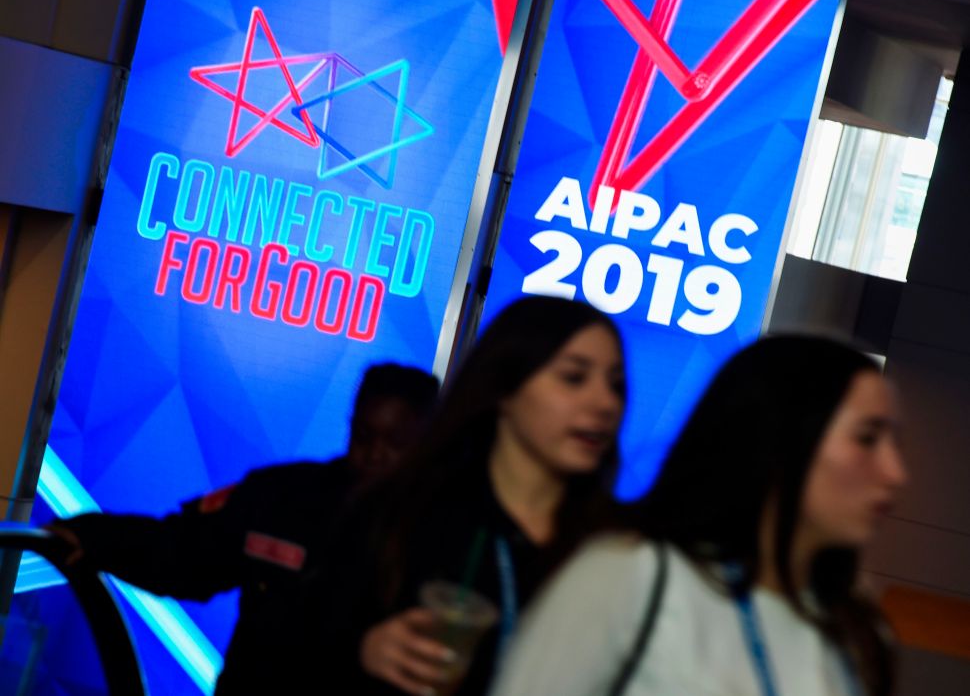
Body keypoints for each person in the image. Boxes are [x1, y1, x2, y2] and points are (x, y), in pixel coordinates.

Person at [489, 335, 908, 696]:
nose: (895, 472)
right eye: (867, 438)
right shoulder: (632, 576)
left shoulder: (854, 627)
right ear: (780, 441)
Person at [48, 362, 439, 694]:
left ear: (425, 443)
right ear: (351, 424)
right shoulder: (284, 497)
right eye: (365, 435)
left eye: (395, 442)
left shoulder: (441, 537)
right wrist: (92, 537)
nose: (374, 454)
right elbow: (182, 553)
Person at [321, 295, 627, 696]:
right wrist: (362, 650)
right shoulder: (403, 516)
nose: (605, 402)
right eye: (574, 378)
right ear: (504, 387)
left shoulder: (621, 547)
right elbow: (292, 649)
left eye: (616, 385)